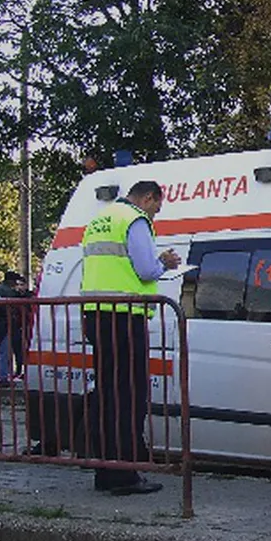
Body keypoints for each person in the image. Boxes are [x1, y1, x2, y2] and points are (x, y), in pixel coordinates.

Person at [80, 180, 180, 495]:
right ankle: (125, 474)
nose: (155, 215)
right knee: (129, 395)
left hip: (95, 315)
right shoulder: (134, 220)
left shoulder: (99, 220)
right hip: (124, 316)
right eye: (156, 208)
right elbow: (146, 270)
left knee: (107, 395)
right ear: (148, 198)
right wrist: (164, 262)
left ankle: (105, 471)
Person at [0, 271, 31, 382]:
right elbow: (17, 298)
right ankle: (4, 376)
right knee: (7, 350)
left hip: (8, 323)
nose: (17, 284)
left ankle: (7, 374)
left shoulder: (2, 289)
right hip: (6, 324)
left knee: (9, 350)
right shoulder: (6, 291)